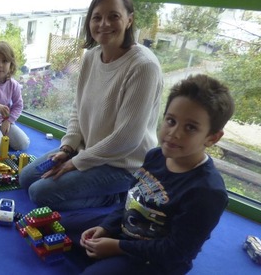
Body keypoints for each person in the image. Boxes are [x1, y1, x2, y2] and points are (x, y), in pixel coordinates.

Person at [61, 74, 235, 275]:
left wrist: (117, 246)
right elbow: (130, 200)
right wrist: (107, 228)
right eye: (171, 120)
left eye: (190, 127)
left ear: (212, 137)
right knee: (60, 225)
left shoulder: (208, 192)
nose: (174, 133)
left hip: (153, 260)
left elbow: (177, 251)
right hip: (127, 230)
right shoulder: (155, 155)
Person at [19, 0, 164, 211]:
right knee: (26, 178)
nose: (104, 24)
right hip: (88, 151)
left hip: (122, 166)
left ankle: (115, 199)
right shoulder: (91, 57)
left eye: (113, 16)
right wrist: (67, 149)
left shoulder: (143, 66)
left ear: (129, 20)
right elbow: (79, 108)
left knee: (39, 193)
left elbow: (127, 139)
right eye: (97, 17)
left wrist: (75, 163)